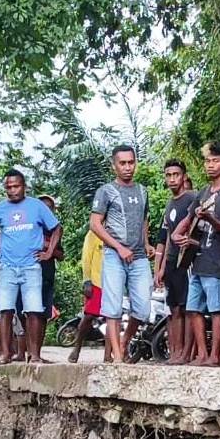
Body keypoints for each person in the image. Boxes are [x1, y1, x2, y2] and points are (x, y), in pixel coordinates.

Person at [172, 142, 220, 367]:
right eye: (208, 161)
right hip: (197, 261)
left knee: (217, 310)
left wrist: (211, 219)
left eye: (215, 161)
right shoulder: (202, 192)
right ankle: (201, 354)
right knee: (193, 309)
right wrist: (177, 236)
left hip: (217, 262)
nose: (210, 165)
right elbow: (188, 220)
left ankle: (215, 356)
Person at [0, 167, 62, 364]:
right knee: (5, 309)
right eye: (8, 187)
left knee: (34, 310)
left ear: (24, 187)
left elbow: (56, 228)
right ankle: (5, 353)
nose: (12, 190)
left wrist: (48, 252)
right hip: (7, 266)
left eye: (16, 186)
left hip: (31, 266)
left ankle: (34, 354)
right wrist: (2, 241)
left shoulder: (37, 206)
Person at [89, 145, 153, 363]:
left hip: (139, 257)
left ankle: (125, 341)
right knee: (113, 306)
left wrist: (146, 243)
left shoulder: (143, 191)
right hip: (114, 255)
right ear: (114, 165)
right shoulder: (106, 191)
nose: (128, 167)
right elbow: (95, 224)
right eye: (123, 163)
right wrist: (119, 247)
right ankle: (117, 356)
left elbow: (144, 219)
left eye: (131, 162)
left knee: (144, 308)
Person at [154, 160, 198, 364]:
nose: (172, 179)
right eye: (168, 175)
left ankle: (187, 353)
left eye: (176, 174)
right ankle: (176, 352)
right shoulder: (170, 204)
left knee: (188, 307)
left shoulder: (193, 198)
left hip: (188, 261)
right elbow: (168, 238)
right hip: (172, 262)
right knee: (174, 309)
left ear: (183, 176)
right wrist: (161, 268)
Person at [70, 228, 112, 363]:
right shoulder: (93, 233)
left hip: (112, 282)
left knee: (112, 318)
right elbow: (86, 257)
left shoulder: (118, 231)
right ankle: (77, 347)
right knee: (88, 316)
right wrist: (86, 280)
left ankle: (108, 354)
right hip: (96, 281)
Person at [34, 194, 65, 360]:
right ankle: (22, 353)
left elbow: (61, 255)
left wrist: (49, 249)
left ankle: (37, 354)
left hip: (47, 275)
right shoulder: (29, 227)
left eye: (49, 208)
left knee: (43, 315)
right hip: (28, 276)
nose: (46, 210)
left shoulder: (54, 230)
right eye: (43, 207)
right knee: (27, 314)